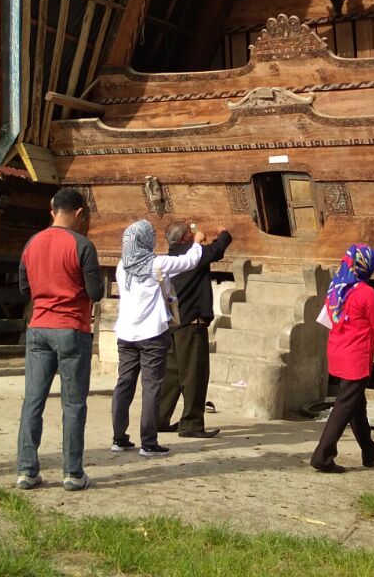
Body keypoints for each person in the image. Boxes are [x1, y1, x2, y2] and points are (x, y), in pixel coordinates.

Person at [15, 187, 104, 492]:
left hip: (39, 326)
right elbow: (96, 292)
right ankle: (73, 473)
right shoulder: (82, 245)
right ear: (80, 213)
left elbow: (25, 290)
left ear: (51, 210)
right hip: (71, 328)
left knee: (33, 401)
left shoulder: (31, 243)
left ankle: (27, 471)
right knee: (74, 404)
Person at [111, 219, 204, 457]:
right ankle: (148, 442)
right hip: (151, 334)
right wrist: (197, 241)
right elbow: (190, 261)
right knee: (151, 388)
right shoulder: (156, 263)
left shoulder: (122, 265)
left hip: (126, 334)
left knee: (124, 385)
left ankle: (119, 438)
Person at [310, 243, 374, 473]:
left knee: (356, 405)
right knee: (344, 406)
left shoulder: (335, 289)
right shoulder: (366, 293)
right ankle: (322, 456)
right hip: (355, 358)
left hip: (337, 352)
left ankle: (369, 450)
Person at [157, 220, 232, 438]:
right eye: (189, 233)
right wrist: (224, 234)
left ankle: (159, 418)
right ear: (183, 238)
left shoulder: (169, 258)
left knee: (171, 373)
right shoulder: (192, 255)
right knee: (194, 374)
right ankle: (191, 423)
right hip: (191, 323)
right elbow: (217, 250)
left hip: (171, 323)